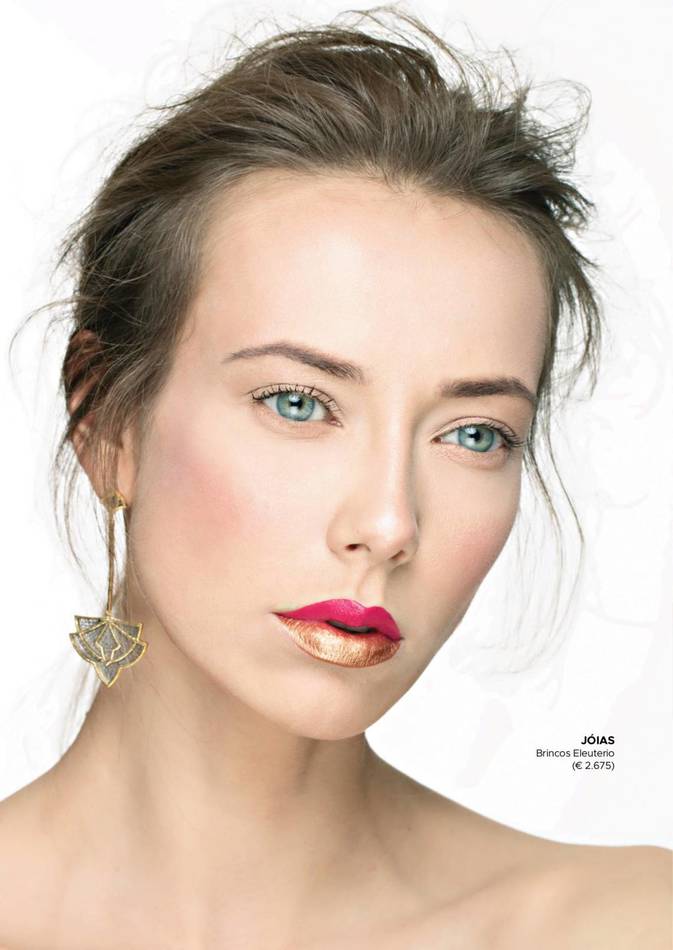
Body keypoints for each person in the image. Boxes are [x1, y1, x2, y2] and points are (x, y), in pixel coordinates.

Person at [1, 7, 670, 948]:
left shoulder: (625, 924)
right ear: (106, 418)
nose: (389, 523)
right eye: (298, 403)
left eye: (474, 434)